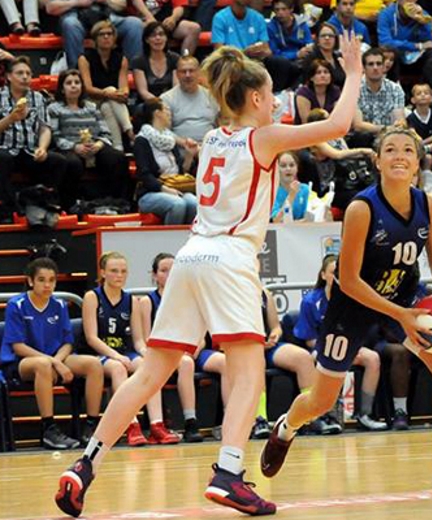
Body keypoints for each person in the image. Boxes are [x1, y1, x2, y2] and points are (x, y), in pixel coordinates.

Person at [55, 33, 364, 518]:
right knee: (248, 373)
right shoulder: (262, 137)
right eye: (273, 96)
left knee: (148, 375)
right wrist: (355, 70)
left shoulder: (213, 139)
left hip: (190, 254)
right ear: (258, 98)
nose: (279, 103)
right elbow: (341, 122)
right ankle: (228, 472)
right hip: (229, 257)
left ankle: (84, 464)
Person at [260, 127, 432, 495]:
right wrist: (401, 316)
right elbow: (348, 280)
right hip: (354, 304)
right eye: (391, 150)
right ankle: (286, 427)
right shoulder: (361, 208)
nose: (400, 155)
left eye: (408, 150)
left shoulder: (427, 204)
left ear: (418, 162)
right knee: (322, 400)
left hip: (405, 294)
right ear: (378, 161)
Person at [1, 258, 104, 450]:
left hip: (54, 358)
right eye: (41, 280)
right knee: (42, 365)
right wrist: (54, 363)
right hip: (21, 362)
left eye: (51, 280)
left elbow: (67, 342)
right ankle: (48, 429)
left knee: (93, 364)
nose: (47, 285)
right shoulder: (17, 304)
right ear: (31, 281)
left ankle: (91, 427)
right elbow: (17, 346)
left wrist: (57, 360)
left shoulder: (60, 305)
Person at [82, 252, 181, 448]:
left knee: (150, 367)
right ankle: (131, 425)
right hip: (100, 354)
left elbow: (137, 340)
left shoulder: (131, 301)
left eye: (123, 271)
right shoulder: (92, 297)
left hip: (126, 352)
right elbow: (91, 338)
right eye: (113, 271)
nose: (119, 275)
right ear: (102, 273)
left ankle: (156, 425)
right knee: (118, 368)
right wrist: (117, 356)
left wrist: (147, 354)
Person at [293, 254, 389, 431]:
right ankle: (322, 416)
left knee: (373, 358)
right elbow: (308, 338)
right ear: (323, 275)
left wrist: (351, 347)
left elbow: (360, 330)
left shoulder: (354, 298)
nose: (336, 276)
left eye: (340, 272)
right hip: (320, 349)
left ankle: (365, 414)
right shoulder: (311, 301)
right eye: (332, 272)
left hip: (349, 347)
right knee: (317, 358)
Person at [250, 284, 344, 438]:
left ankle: (312, 417)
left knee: (303, 358)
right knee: (257, 361)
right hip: (247, 347)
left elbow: (276, 327)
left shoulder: (264, 293)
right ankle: (260, 420)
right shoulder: (230, 291)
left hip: (269, 346)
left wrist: (274, 335)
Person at [138, 253, 204, 443]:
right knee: (177, 362)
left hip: (184, 350)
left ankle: (191, 421)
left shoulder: (189, 298)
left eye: (173, 270)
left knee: (186, 362)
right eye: (164, 270)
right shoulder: (147, 302)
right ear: (154, 275)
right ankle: (156, 425)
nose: (169, 274)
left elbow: (199, 330)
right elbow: (145, 338)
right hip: (160, 351)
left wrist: (196, 345)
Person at [0, 56, 68, 217]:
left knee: (59, 161)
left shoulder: (38, 98)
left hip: (30, 151)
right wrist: (11, 118)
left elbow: (45, 128)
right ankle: (13, 207)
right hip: (6, 150)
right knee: (2, 159)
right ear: (9, 77)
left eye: (28, 74)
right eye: (20, 73)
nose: (25, 77)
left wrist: (43, 148)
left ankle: (44, 202)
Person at [48, 69, 129, 203]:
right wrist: (75, 147)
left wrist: (99, 144)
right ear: (62, 89)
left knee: (118, 158)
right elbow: (55, 137)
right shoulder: (54, 108)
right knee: (72, 163)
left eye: (77, 82)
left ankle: (115, 202)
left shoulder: (91, 107)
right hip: (69, 147)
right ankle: (71, 204)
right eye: (69, 83)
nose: (74, 86)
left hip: (94, 146)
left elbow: (105, 133)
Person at [134, 98, 198, 225]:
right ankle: (170, 242)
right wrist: (165, 189)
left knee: (194, 204)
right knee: (177, 204)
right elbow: (144, 174)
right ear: (157, 113)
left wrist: (189, 156)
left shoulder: (169, 139)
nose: (170, 113)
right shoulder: (141, 140)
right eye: (167, 110)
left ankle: (188, 241)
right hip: (151, 192)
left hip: (176, 187)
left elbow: (181, 172)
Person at [211, 0, 298, 92]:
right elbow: (219, 51)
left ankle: (277, 95)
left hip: (255, 60)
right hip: (232, 61)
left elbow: (268, 50)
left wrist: (261, 51)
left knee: (281, 62)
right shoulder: (220, 18)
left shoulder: (258, 17)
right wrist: (243, 52)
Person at [78, 21, 134, 152]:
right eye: (102, 34)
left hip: (112, 102)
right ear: (95, 39)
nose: (106, 37)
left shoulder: (121, 59)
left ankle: (118, 147)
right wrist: (109, 94)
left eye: (109, 34)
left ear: (114, 37)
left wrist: (123, 93)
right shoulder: (85, 58)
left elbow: (124, 87)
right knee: (110, 91)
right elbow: (88, 88)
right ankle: (130, 131)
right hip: (90, 101)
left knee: (107, 106)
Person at [42, 0, 143, 69]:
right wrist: (78, 2)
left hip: (105, 18)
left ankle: (133, 76)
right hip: (76, 18)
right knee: (70, 24)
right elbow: (50, 8)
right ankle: (78, 75)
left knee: (134, 24)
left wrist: (105, 1)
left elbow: (121, 4)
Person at [160, 55, 219, 145]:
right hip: (181, 151)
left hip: (210, 149)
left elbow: (220, 126)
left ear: (199, 72)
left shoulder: (211, 96)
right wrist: (185, 144)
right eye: (183, 71)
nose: (188, 75)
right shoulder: (166, 98)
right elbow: (163, 131)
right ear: (177, 74)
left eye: (191, 71)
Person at [354, 48, 406, 136]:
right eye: (371, 64)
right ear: (363, 68)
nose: (375, 68)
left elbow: (400, 120)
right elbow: (358, 125)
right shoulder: (354, 89)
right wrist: (385, 129)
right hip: (363, 138)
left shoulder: (395, 89)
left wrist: (398, 125)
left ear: (383, 67)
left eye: (378, 64)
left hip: (388, 136)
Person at [377, 0, 432, 73]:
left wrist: (422, 23)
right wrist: (416, 46)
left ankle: (426, 83)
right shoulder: (385, 14)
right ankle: (394, 82)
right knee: (391, 52)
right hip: (395, 55)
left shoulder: (423, 14)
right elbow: (385, 43)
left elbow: (429, 42)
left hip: (415, 56)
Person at [132, 22, 181, 104]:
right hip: (148, 104)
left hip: (171, 102)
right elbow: (143, 92)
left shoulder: (174, 58)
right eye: (153, 35)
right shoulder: (138, 61)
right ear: (147, 40)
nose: (158, 38)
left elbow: (176, 88)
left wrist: (168, 103)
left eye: (161, 34)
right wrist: (160, 103)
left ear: (166, 38)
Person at [130, 0, 201, 57]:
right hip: (143, 18)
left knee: (193, 28)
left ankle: (185, 62)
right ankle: (138, 66)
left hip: (164, 19)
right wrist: (150, 18)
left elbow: (180, 6)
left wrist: (173, 18)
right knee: (136, 26)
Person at [294, 59, 341, 126]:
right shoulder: (303, 93)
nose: (323, 75)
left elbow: (338, 116)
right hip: (306, 131)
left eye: (326, 72)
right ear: (311, 78)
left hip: (331, 130)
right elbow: (306, 121)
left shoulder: (335, 91)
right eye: (318, 73)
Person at [301, 23, 346, 89]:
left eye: (330, 36)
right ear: (318, 40)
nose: (327, 38)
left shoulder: (340, 57)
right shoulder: (310, 59)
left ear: (336, 40)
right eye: (323, 35)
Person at [271, 151, 310, 222]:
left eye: (292, 165)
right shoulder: (272, 191)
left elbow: (310, 217)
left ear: (297, 168)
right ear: (277, 169)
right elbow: (276, 220)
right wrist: (291, 195)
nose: (288, 169)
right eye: (283, 166)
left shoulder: (306, 189)